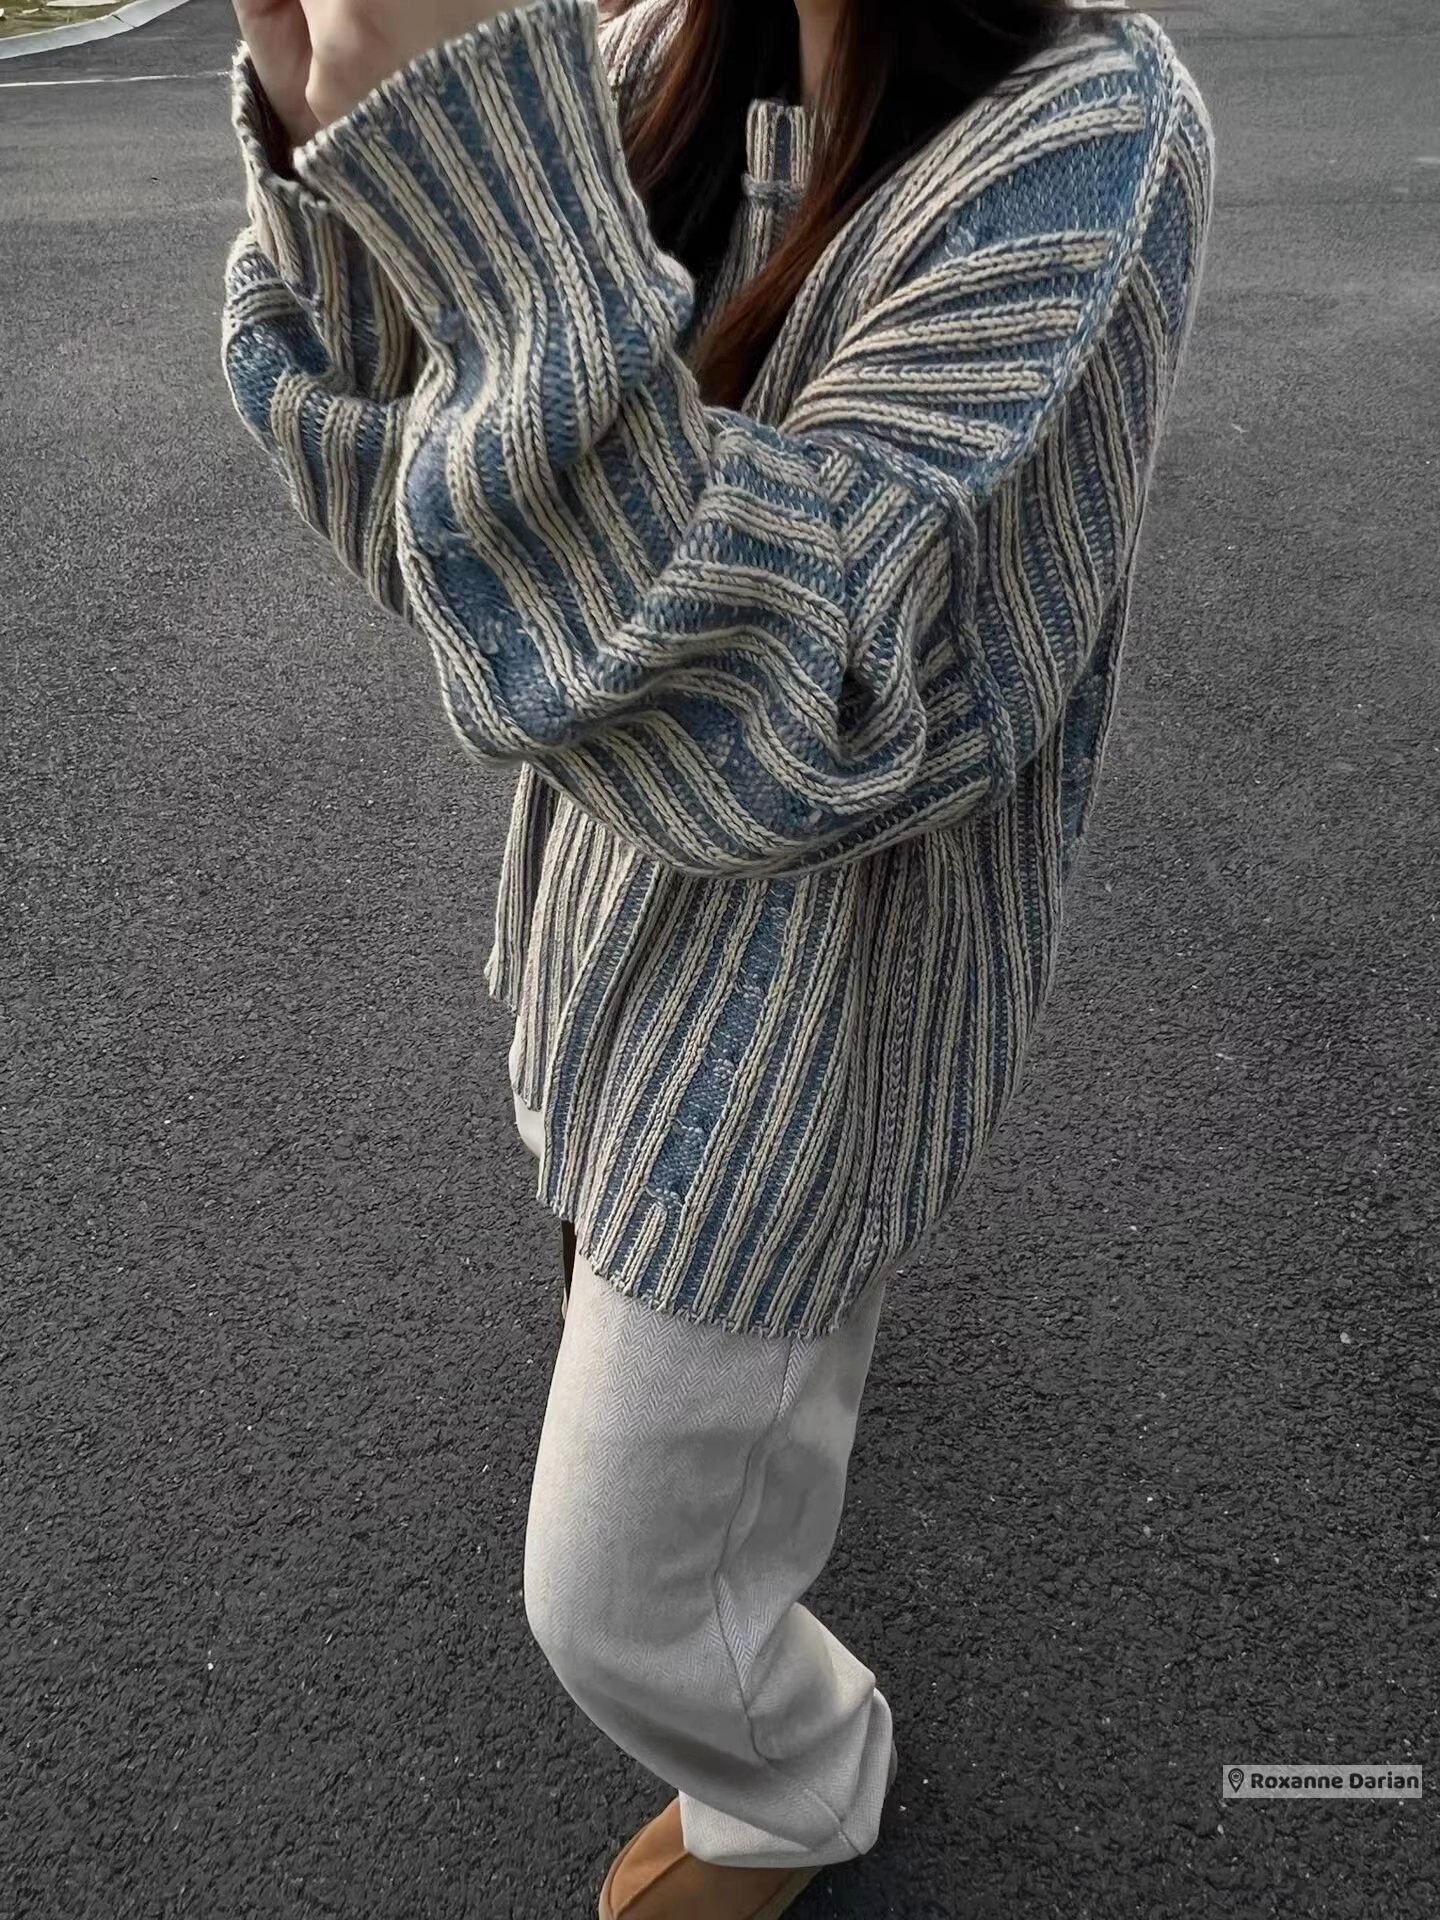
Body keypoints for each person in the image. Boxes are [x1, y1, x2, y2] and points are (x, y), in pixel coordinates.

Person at [221, 0, 1213, 1910]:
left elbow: (805, 714)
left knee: (617, 1596)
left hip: (811, 1032)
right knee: (610, 1247)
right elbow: (423, 517)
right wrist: (338, 134)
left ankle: (800, 1785)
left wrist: (489, 182)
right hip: (603, 925)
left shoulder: (1092, 131)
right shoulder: (662, 45)